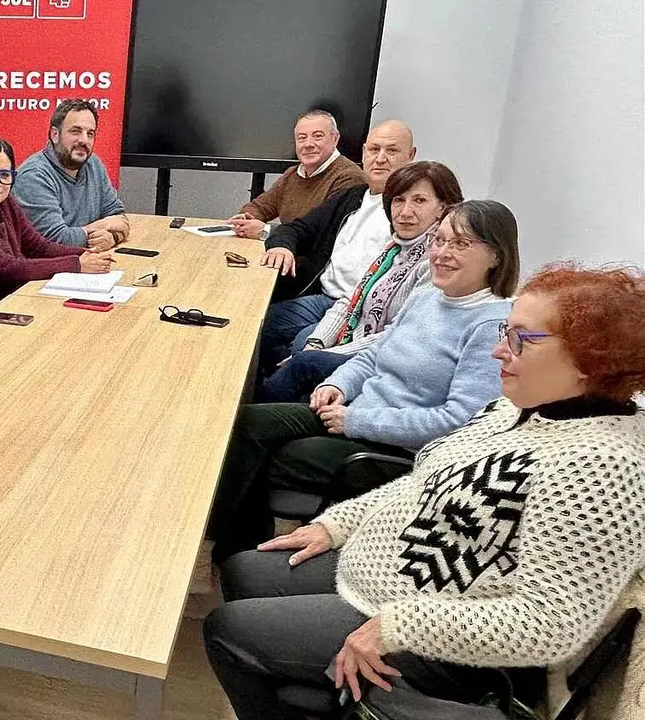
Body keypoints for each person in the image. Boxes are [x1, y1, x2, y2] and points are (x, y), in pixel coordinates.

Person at [204, 263, 645, 720]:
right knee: (245, 570)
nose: (498, 351)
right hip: (400, 580)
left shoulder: (603, 465)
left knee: (228, 631)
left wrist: (394, 629)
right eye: (504, 332)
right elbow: (422, 485)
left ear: (591, 361)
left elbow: (549, 623)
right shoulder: (519, 408)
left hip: (453, 644)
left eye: (520, 340)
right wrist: (336, 524)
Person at [210, 199, 521, 563]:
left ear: (497, 256)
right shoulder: (425, 298)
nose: (442, 252)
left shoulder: (490, 326)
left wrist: (355, 420)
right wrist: (337, 385)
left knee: (277, 456)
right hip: (353, 413)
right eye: (439, 240)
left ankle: (242, 553)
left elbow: (459, 423)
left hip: (392, 447)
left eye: (461, 244)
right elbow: (373, 356)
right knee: (246, 422)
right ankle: (234, 546)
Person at [257, 161, 463, 402]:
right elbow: (350, 300)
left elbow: (399, 335)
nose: (405, 211)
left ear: (442, 208)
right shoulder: (394, 248)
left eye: (419, 201)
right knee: (286, 337)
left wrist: (329, 352)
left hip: (379, 359)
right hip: (352, 333)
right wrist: (317, 343)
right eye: (399, 200)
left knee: (303, 362)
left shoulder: (436, 262)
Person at [257, 120, 417, 376]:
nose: (380, 159)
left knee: (303, 348)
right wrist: (282, 246)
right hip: (323, 297)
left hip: (360, 312)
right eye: (374, 150)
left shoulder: (409, 212)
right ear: (363, 153)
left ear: (411, 156)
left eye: (392, 151)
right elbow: (298, 228)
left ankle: (287, 403)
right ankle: (254, 389)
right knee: (256, 322)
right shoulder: (352, 196)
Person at [0, 135, 114, 331]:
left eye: (4, 175)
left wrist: (85, 254)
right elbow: (11, 269)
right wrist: (77, 264)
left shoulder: (6, 204)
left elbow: (38, 247)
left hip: (14, 306)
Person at [12, 99, 130, 251]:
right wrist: (102, 226)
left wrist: (113, 237)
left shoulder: (94, 164)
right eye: (75, 131)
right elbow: (56, 240)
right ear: (55, 134)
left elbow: (120, 217)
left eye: (90, 133)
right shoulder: (33, 176)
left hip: (88, 264)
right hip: (45, 270)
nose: (84, 140)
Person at [228, 110, 365, 240]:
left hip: (314, 263)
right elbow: (259, 207)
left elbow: (325, 235)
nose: (308, 144)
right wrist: (245, 220)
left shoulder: (349, 178)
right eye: (302, 138)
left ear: (335, 138)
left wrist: (266, 231)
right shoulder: (292, 174)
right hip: (283, 253)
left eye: (317, 136)